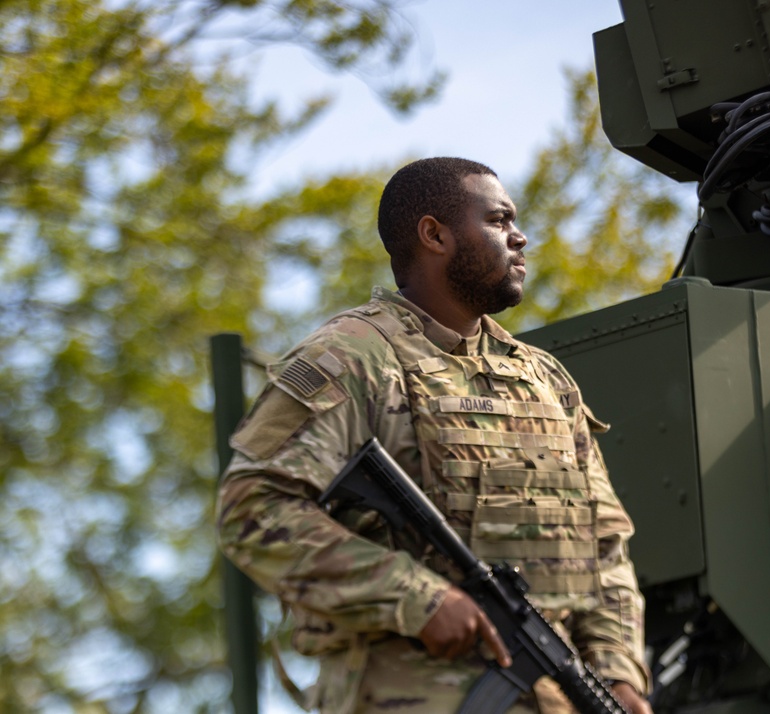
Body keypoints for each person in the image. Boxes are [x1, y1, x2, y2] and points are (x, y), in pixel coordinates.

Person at [216, 157, 652, 714]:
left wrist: (618, 673)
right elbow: (251, 509)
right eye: (498, 220)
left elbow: (605, 544)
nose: (520, 238)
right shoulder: (355, 358)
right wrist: (416, 598)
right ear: (434, 234)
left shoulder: (544, 379)